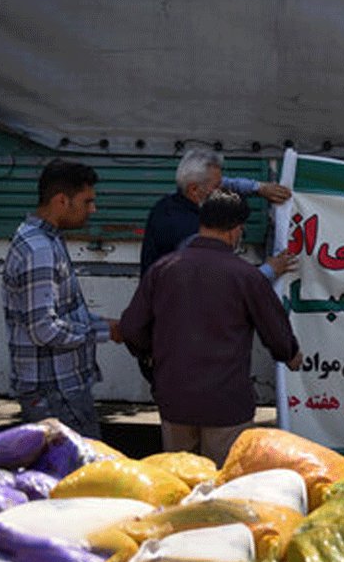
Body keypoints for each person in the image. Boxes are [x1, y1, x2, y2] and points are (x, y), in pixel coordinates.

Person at [119, 190, 304, 465]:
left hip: (174, 399)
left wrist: (151, 356)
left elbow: (131, 328)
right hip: (225, 404)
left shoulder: (163, 268)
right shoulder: (246, 276)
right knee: (224, 487)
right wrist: (291, 354)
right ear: (236, 230)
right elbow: (275, 332)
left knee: (180, 483)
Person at [2, 159, 123, 438]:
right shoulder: (39, 250)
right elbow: (45, 328)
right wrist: (105, 331)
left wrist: (108, 324)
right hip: (54, 393)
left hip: (60, 389)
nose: (93, 209)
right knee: (78, 477)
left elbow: (64, 313)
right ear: (61, 201)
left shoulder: (46, 239)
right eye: (87, 201)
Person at [139, 149, 295, 278]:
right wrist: (270, 270)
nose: (223, 190)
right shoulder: (190, 234)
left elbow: (226, 183)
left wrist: (258, 187)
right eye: (217, 186)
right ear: (194, 189)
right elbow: (225, 282)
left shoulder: (176, 198)